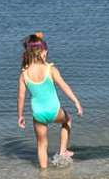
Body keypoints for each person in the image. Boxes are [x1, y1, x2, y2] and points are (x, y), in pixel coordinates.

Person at [17, 32, 83, 170]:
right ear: (40, 52)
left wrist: (20, 116)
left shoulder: (24, 74)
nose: (47, 53)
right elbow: (64, 86)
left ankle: (44, 173)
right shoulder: (50, 69)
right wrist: (76, 102)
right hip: (54, 110)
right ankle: (63, 151)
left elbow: (21, 97)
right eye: (46, 51)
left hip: (38, 113)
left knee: (42, 144)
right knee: (67, 120)